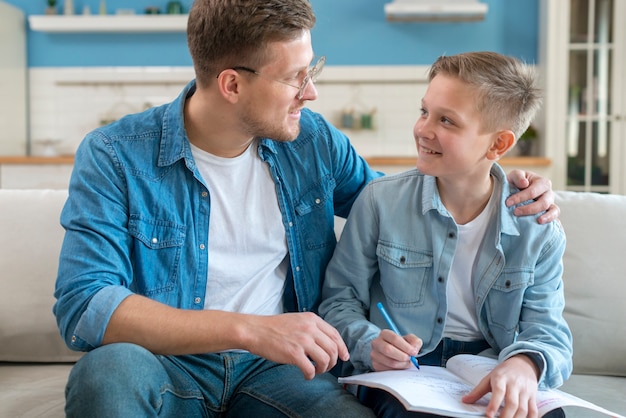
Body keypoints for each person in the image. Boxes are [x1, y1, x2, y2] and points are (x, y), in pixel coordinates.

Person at [52, 0, 559, 415]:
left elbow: (401, 207)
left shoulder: (310, 141)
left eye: (311, 69)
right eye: (296, 77)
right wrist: (250, 330)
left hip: (282, 376)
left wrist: (502, 188)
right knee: (106, 373)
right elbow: (85, 304)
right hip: (166, 363)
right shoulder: (117, 154)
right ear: (232, 84)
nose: (311, 91)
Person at [319, 51, 573, 418]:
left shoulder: (537, 226)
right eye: (424, 112)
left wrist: (526, 365)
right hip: (406, 372)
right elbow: (338, 301)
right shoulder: (379, 201)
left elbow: (549, 331)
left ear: (498, 145)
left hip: (487, 366)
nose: (423, 129)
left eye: (447, 121)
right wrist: (369, 342)